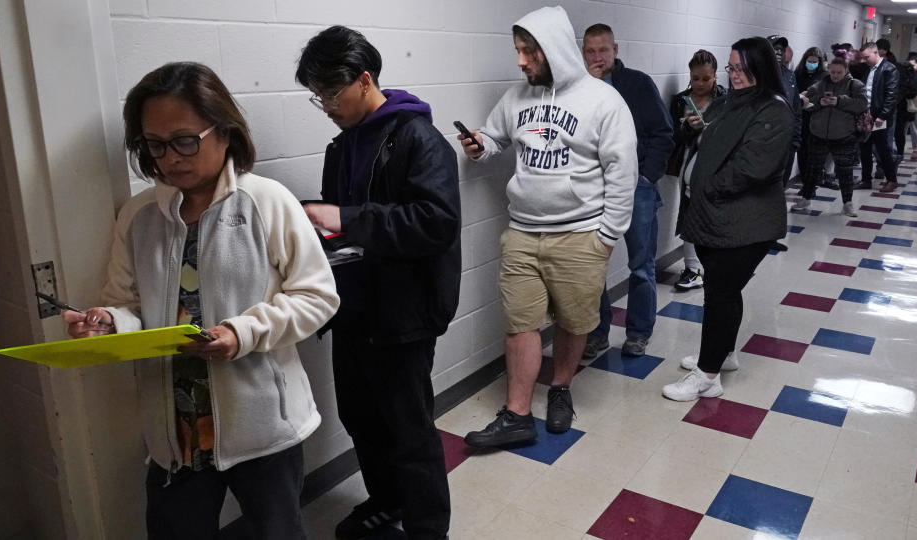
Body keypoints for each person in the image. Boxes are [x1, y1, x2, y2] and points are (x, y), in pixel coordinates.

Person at [63, 62, 340, 539]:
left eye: (185, 139)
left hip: (263, 431)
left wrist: (243, 333)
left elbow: (317, 296)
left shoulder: (267, 201)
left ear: (225, 131)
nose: (170, 157)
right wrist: (109, 322)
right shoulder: (139, 216)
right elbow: (126, 303)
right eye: (155, 144)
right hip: (175, 433)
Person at [296, 26, 461, 540]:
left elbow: (435, 222)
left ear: (364, 80)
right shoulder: (340, 148)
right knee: (360, 417)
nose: (324, 105)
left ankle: (428, 527)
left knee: (408, 429)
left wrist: (343, 217)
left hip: (404, 314)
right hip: (351, 310)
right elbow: (340, 226)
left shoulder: (419, 139)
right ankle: (387, 501)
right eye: (316, 95)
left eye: (330, 93)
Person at [458, 6, 637, 445]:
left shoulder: (603, 101)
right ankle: (517, 415)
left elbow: (622, 173)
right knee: (520, 321)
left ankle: (560, 389)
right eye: (517, 51)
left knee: (574, 321)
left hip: (581, 234)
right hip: (522, 231)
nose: (520, 61)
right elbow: (495, 136)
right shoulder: (518, 98)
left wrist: (607, 237)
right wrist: (480, 145)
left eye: (527, 52)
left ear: (552, 50)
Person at [662, 37, 792, 401]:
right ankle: (724, 354)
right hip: (717, 217)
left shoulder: (773, 109)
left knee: (720, 293)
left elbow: (752, 168)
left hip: (744, 223)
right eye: (732, 68)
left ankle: (707, 375)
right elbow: (711, 136)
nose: (734, 75)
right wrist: (693, 128)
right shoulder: (729, 102)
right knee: (724, 291)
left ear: (761, 68)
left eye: (742, 69)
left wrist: (708, 187)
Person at [581, 23, 674, 359]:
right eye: (590, 51)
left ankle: (638, 332)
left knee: (640, 265)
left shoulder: (637, 84)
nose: (597, 57)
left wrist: (647, 177)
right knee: (592, 266)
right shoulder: (578, 89)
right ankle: (596, 334)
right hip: (594, 190)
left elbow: (663, 133)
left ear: (615, 50)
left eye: (603, 50)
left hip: (637, 188)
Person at [666, 49, 727, 291]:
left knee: (713, 216)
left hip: (717, 167)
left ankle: (712, 264)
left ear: (715, 77)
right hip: (688, 165)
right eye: (695, 78)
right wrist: (688, 128)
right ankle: (692, 268)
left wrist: (709, 129)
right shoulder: (681, 101)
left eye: (706, 78)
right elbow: (673, 136)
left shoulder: (726, 100)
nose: (700, 83)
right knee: (689, 215)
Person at [792, 56, 868, 216]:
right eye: (832, 72)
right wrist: (820, 102)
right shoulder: (820, 84)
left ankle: (847, 203)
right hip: (818, 134)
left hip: (844, 135)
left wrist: (839, 101)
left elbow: (861, 105)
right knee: (812, 170)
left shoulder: (855, 85)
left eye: (839, 72)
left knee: (845, 172)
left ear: (846, 70)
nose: (835, 75)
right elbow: (805, 103)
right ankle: (806, 198)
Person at [857, 42, 900, 193]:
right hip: (866, 115)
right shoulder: (868, 69)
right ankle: (866, 180)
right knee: (865, 148)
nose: (864, 60)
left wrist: (882, 116)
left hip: (879, 116)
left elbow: (891, 95)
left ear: (876, 53)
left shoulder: (889, 69)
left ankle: (892, 180)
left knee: (883, 149)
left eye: (866, 57)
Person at [769, 36, 802, 185]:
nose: (778, 52)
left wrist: (795, 140)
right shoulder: (755, 76)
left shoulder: (789, 76)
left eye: (781, 49)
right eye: (775, 48)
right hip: (765, 141)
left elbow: (796, 110)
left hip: (787, 141)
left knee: (781, 184)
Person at [794, 47, 826, 185]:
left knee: (815, 150)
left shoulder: (824, 76)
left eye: (815, 61)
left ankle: (816, 177)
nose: (812, 64)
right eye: (809, 61)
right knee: (802, 149)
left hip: (817, 116)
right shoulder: (797, 74)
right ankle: (804, 177)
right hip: (801, 115)